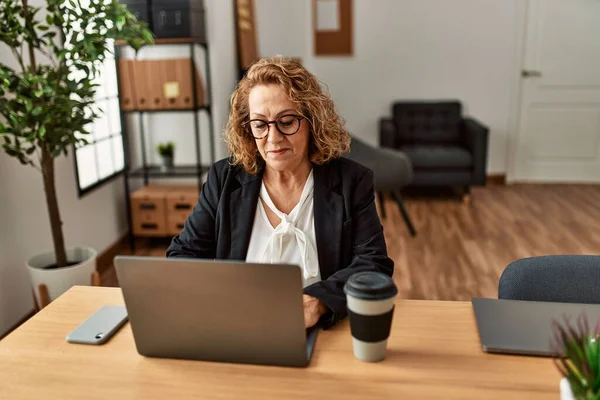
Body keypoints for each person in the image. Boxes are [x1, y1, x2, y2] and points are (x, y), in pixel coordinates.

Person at [166, 56, 394, 329]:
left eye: (287, 121)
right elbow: (182, 255)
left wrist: (317, 302)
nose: (273, 139)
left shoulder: (351, 182)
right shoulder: (224, 179)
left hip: (321, 331)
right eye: (260, 124)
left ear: (313, 121)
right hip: (238, 324)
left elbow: (373, 264)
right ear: (247, 128)